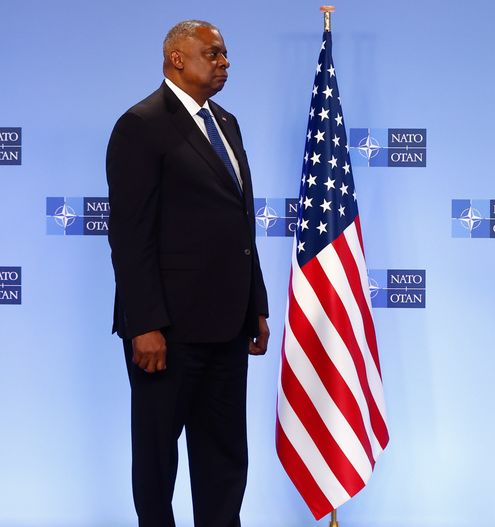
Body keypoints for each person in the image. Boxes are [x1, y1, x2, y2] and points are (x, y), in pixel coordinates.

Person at [106, 20, 270, 527]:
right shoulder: (141, 124)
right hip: (167, 334)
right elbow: (131, 236)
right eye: (214, 54)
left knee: (224, 461)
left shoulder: (228, 123)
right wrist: (145, 323)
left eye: (225, 55)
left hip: (227, 327)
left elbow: (240, 223)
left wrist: (255, 306)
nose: (225, 63)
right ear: (177, 58)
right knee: (157, 463)